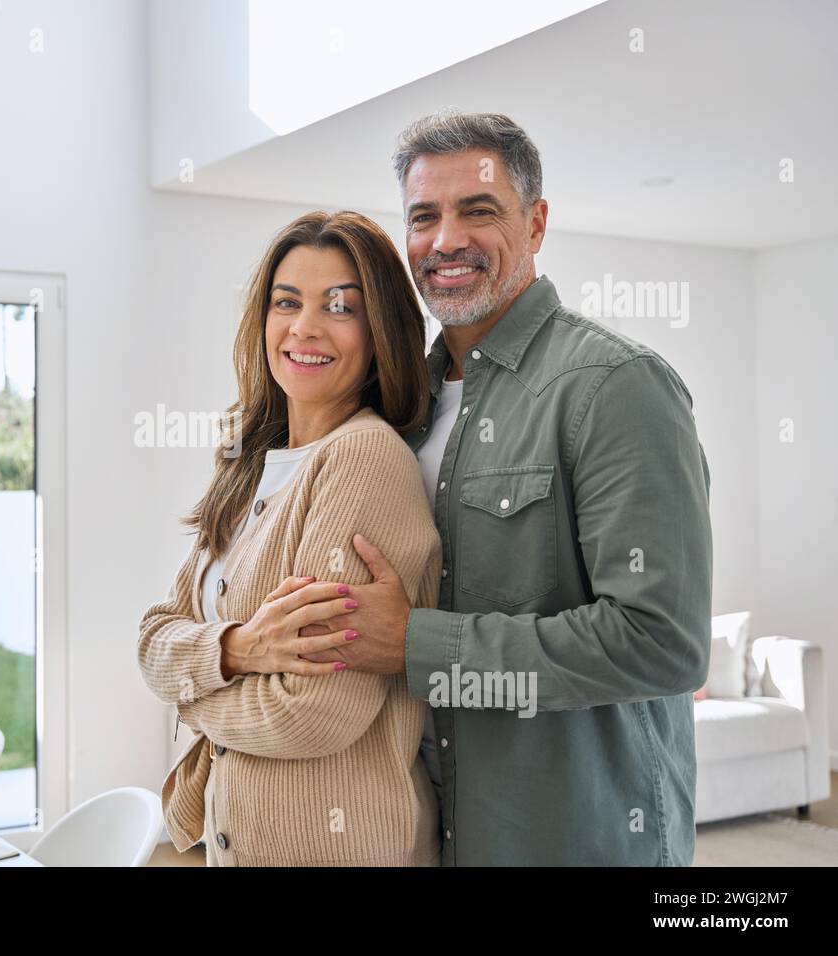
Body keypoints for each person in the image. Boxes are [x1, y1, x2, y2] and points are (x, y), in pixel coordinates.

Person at [299, 111, 713, 865]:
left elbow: (662, 644)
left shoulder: (615, 386)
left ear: (537, 223)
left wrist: (417, 642)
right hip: (431, 831)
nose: (447, 240)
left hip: (573, 840)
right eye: (424, 217)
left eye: (479, 210)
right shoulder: (402, 406)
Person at [137, 210, 441, 865]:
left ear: (379, 328)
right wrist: (240, 649)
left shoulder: (363, 459)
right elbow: (153, 639)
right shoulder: (248, 460)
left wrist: (190, 699)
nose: (305, 327)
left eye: (339, 306)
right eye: (287, 302)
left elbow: (311, 713)